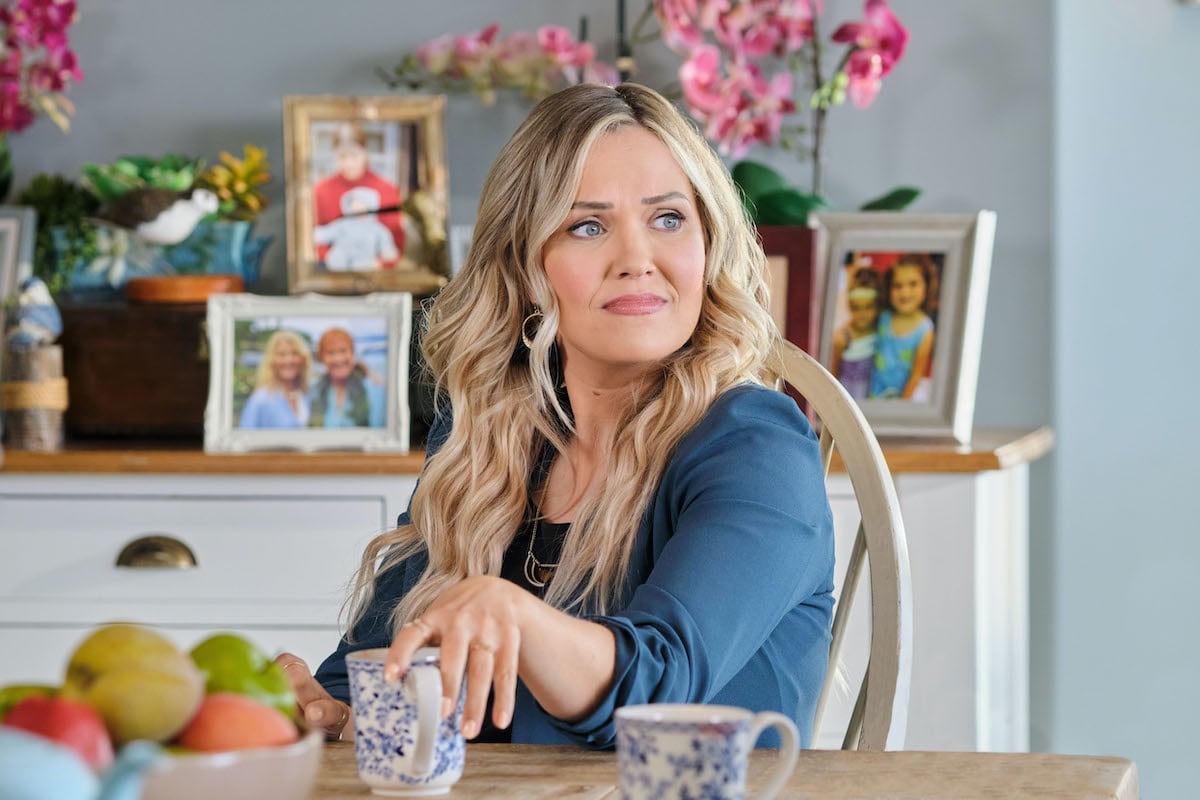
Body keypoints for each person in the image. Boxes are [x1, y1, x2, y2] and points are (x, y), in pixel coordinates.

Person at [276, 83, 835, 750]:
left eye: (668, 219)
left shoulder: (756, 447)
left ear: (709, 245)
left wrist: (508, 610)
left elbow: (655, 684)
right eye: (587, 226)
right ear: (523, 267)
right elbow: (375, 664)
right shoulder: (487, 434)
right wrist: (323, 705)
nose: (637, 260)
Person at [312, 122, 405, 269]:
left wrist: (380, 263)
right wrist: (329, 258)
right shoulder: (321, 190)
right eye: (342, 156)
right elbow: (315, 234)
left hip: (375, 270)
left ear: (365, 152)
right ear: (335, 155)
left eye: (354, 155)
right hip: (331, 266)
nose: (349, 163)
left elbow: (395, 238)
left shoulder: (387, 189)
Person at [870, 253, 937, 400]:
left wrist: (901, 405)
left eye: (913, 284)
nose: (905, 292)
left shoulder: (925, 329)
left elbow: (916, 376)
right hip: (872, 394)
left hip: (900, 398)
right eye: (897, 285)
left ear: (926, 285)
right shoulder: (883, 317)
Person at [309, 327, 386, 429]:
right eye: (331, 353)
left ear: (352, 353)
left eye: (343, 351)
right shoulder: (314, 391)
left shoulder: (372, 386)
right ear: (321, 357)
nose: (338, 359)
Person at [314, 186, 401, 271]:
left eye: (361, 203)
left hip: (363, 267)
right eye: (354, 203)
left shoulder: (377, 229)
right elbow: (326, 233)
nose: (357, 207)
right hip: (337, 266)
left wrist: (386, 257)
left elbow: (387, 248)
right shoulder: (343, 223)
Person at [238, 330, 313, 428]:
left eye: (294, 353)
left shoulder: (303, 395)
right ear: (272, 361)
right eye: (282, 354)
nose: (289, 360)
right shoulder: (260, 400)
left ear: (303, 359)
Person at [829, 265, 880, 401]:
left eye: (868, 306)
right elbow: (833, 373)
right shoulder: (843, 336)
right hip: (849, 399)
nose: (862, 314)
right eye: (856, 307)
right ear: (849, 305)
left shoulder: (880, 330)